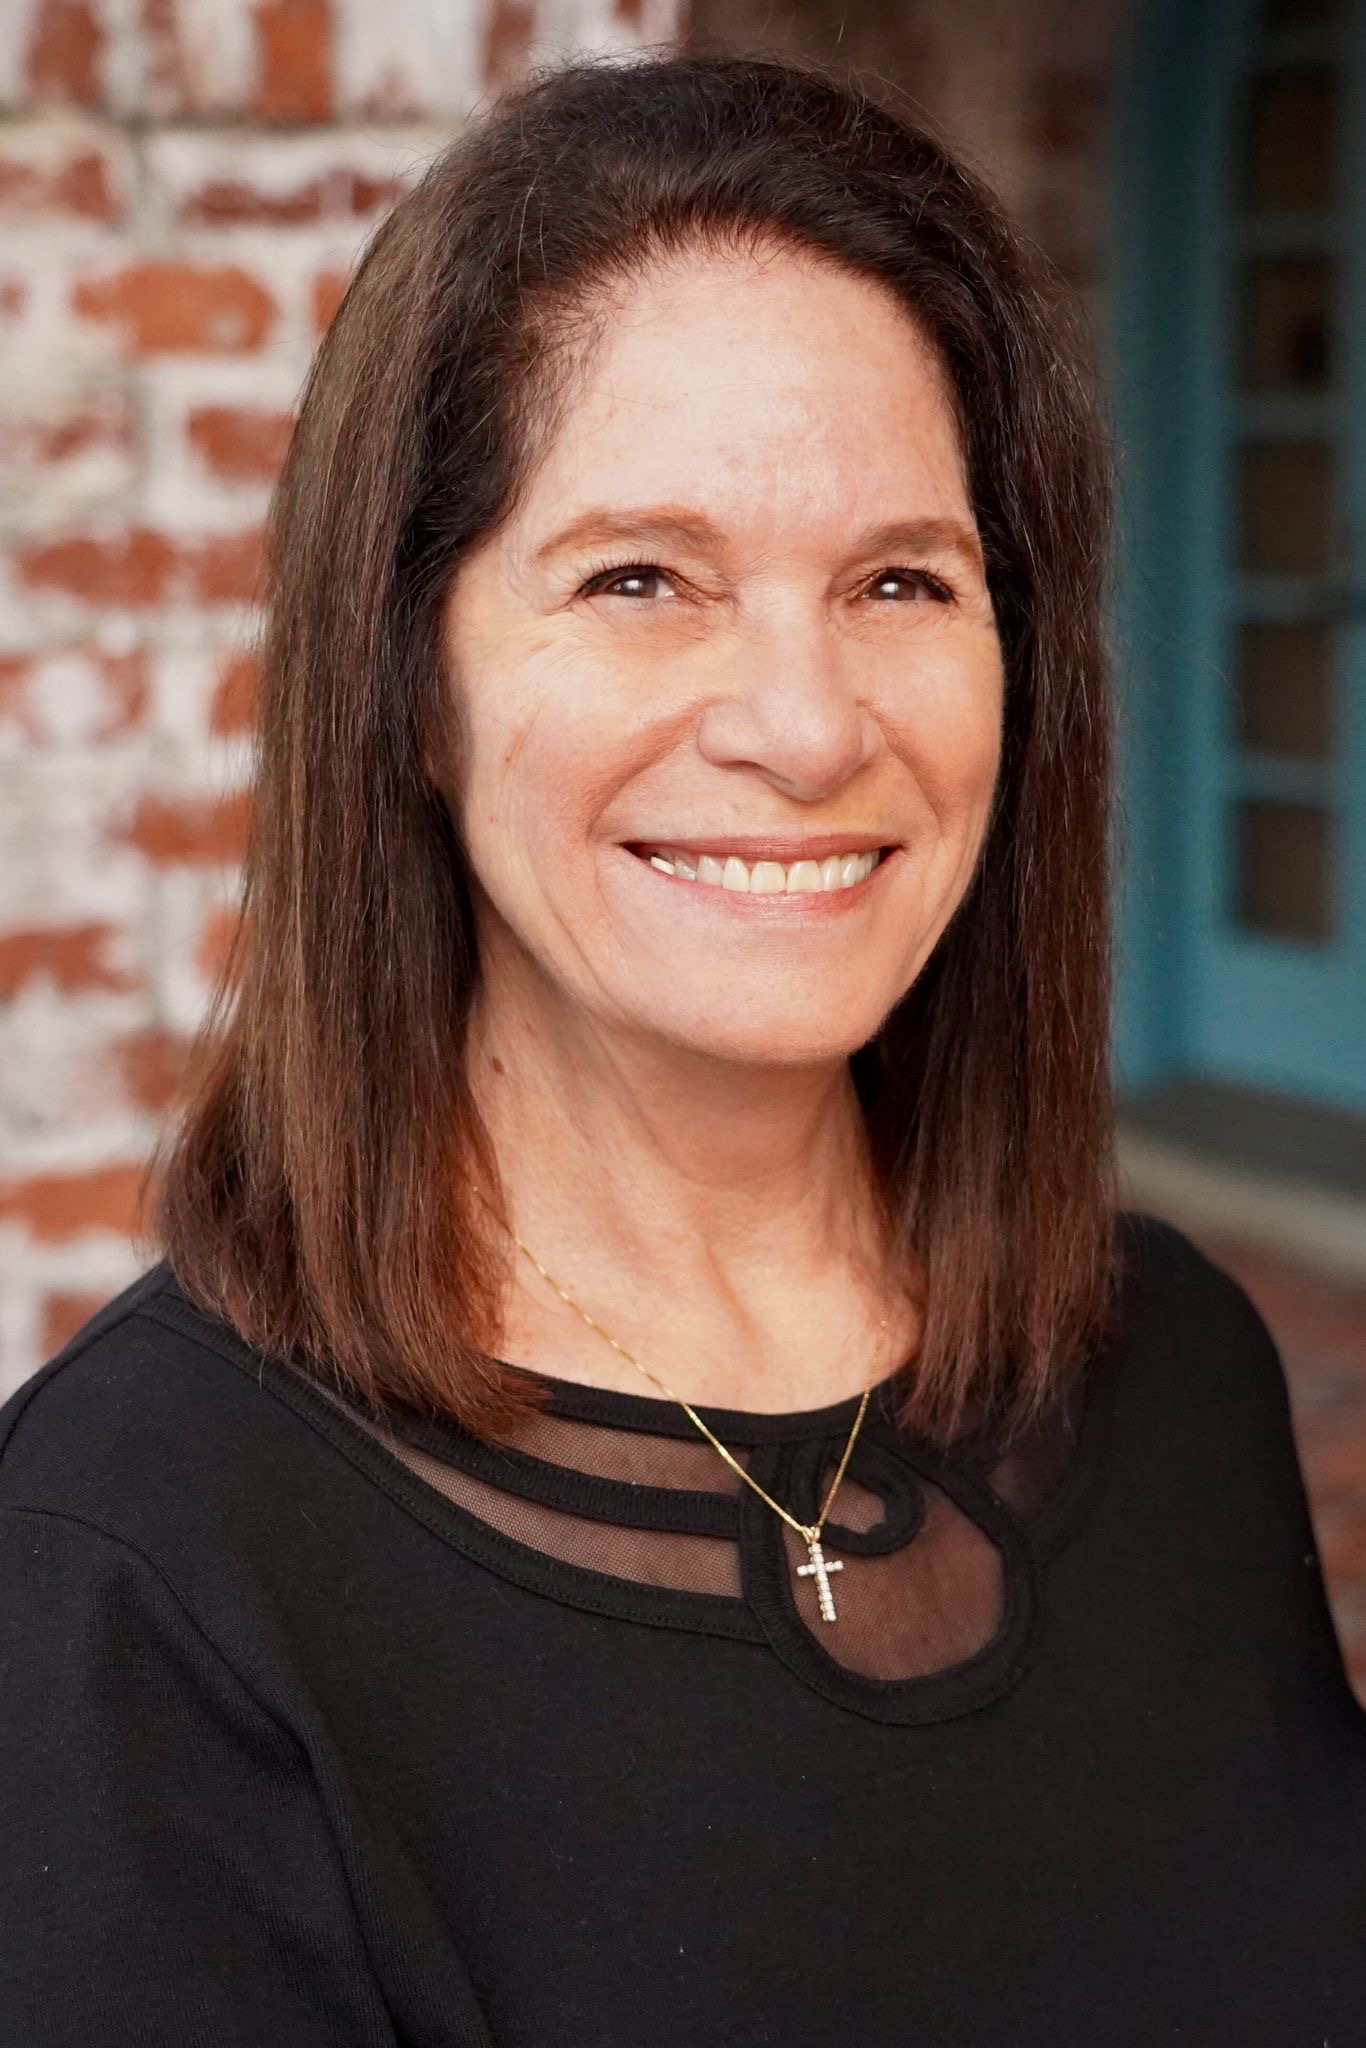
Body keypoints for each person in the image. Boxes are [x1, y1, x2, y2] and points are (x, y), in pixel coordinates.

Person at [2, 48, 1363, 2047]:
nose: (802, 728)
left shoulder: (1170, 1366)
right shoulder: (137, 1558)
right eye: (640, 578)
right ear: (408, 678)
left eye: (900, 579)